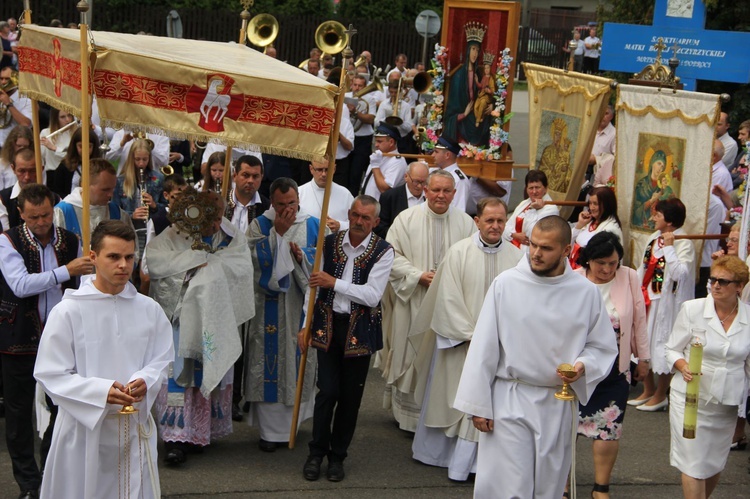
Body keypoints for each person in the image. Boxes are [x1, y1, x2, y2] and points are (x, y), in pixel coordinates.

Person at [454, 215, 618, 498]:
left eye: (546, 248)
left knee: (548, 486)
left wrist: (582, 366)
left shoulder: (586, 293)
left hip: (557, 403)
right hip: (511, 398)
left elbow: (601, 346)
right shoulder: (507, 284)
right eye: (533, 245)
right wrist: (478, 404)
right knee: (510, 487)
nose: (536, 254)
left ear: (566, 250)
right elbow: (484, 346)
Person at [34, 220, 173, 499]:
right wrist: (101, 392)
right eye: (114, 257)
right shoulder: (68, 311)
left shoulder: (149, 310)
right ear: (93, 257)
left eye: (129, 257)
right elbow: (51, 373)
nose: (123, 265)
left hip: (132, 427)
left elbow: (162, 359)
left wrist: (146, 380)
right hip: (84, 430)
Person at [410, 197, 523, 481]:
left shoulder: (517, 258)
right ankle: (444, 457)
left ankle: (483, 465)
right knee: (454, 401)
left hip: (500, 349)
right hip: (462, 345)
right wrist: (473, 338)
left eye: (500, 221)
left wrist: (500, 341)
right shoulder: (458, 253)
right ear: (477, 221)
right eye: (490, 220)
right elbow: (447, 299)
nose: (496, 226)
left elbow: (522, 302)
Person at [148, 190, 255, 465]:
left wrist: (212, 273)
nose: (215, 224)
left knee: (207, 370)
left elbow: (240, 269)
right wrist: (193, 266)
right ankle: (175, 438)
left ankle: (198, 432)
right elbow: (157, 263)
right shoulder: (175, 234)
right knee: (179, 376)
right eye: (211, 217)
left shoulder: (231, 238)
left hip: (215, 319)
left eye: (219, 217)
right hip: (181, 320)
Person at [0, 184, 91, 499]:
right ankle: (28, 483)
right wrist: (66, 271)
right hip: (19, 337)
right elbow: (21, 285)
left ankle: (53, 468)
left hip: (62, 339)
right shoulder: (7, 241)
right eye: (34, 216)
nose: (42, 222)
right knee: (19, 414)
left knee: (64, 406)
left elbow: (86, 281)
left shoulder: (71, 240)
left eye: (46, 215)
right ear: (22, 214)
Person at [299, 195, 394, 482]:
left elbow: (372, 295)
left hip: (360, 329)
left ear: (375, 222)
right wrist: (305, 324)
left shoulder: (384, 251)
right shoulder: (329, 243)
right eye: (355, 215)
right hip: (328, 324)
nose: (359, 221)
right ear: (349, 214)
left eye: (366, 217)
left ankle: (337, 457)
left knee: (350, 398)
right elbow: (313, 287)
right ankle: (316, 453)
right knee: (327, 391)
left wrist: (335, 283)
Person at [380, 170, 475, 432]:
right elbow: (391, 255)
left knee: (442, 358)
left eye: (447, 191)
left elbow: (473, 259)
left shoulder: (466, 224)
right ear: (425, 190)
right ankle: (409, 419)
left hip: (448, 305)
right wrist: (417, 275)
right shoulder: (405, 219)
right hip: (414, 299)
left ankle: (440, 415)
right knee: (411, 353)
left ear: (454, 194)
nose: (440, 196)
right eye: (436, 190)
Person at [244, 178, 321, 451]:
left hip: (299, 307)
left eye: (291, 203)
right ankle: (269, 433)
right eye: (280, 204)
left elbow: (321, 264)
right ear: (271, 202)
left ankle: (293, 428)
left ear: (298, 199)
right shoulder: (260, 225)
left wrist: (302, 258)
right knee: (270, 366)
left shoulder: (312, 224)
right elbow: (250, 262)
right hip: (268, 308)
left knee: (296, 364)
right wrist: (276, 235)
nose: (287, 209)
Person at [666, 256, 750, 499]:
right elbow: (671, 348)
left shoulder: (748, 317)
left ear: (739, 286)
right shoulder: (692, 309)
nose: (715, 285)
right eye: (713, 279)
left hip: (726, 402)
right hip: (690, 397)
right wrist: (682, 366)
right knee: (693, 463)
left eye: (723, 281)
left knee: (713, 464)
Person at [573, 231, 649, 498]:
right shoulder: (573, 279)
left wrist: (644, 358)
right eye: (600, 263)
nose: (607, 269)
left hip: (616, 368)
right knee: (566, 429)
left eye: (612, 263)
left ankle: (600, 487)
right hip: (579, 369)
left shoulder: (628, 276)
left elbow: (639, 319)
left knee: (609, 428)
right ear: (589, 260)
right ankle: (561, 484)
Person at [630, 198, 695, 411]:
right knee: (644, 344)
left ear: (669, 220)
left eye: (657, 215)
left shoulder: (684, 242)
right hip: (647, 298)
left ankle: (661, 394)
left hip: (666, 304)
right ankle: (648, 390)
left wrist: (669, 248)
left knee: (664, 345)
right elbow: (643, 265)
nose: (653, 218)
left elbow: (680, 274)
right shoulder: (653, 237)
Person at [112, 138, 166, 259]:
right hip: (129, 231)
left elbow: (167, 208)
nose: (141, 164)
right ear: (131, 159)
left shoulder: (158, 178)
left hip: (151, 232)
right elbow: (114, 210)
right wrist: (131, 215)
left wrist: (154, 205)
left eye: (145, 159)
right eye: (137, 159)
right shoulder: (120, 181)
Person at [54, 158, 134, 240]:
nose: (110, 194)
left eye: (112, 189)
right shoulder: (62, 212)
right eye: (105, 189)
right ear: (85, 184)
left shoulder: (117, 212)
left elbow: (132, 247)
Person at [443, 23, 491, 146]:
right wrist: (464, 113)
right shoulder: (459, 75)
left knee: (487, 121)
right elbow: (452, 107)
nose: (475, 53)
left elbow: (485, 92)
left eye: (477, 50)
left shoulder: (479, 75)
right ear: (468, 50)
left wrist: (490, 105)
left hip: (475, 112)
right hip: (464, 114)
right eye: (473, 49)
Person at [502, 170, 559, 252]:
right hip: (513, 247)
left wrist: (535, 210)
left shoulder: (551, 209)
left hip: (531, 252)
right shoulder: (524, 203)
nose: (534, 192)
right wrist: (514, 235)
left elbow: (532, 234)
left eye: (537, 187)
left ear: (545, 189)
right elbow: (505, 227)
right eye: (531, 188)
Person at [570, 186, 622, 267]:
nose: (591, 207)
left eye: (595, 204)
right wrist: (580, 225)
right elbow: (571, 243)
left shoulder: (611, 229)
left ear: (607, 205)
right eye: (590, 203)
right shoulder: (589, 223)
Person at [374, 161, 428, 238]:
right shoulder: (390, 197)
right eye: (416, 181)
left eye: (423, 182)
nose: (419, 186)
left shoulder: (430, 196)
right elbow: (380, 229)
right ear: (406, 177)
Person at [299, 157, 353, 233]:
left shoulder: (345, 194)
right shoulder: (299, 193)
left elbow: (356, 224)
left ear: (334, 169)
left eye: (327, 170)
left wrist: (340, 225)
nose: (324, 174)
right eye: (319, 170)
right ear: (311, 169)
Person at [346, 74, 377, 196]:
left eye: (360, 86)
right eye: (355, 85)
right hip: (347, 138)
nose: (357, 88)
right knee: (345, 171)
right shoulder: (346, 96)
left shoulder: (370, 99)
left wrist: (355, 112)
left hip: (362, 139)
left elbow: (370, 119)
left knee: (356, 173)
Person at [50, 126, 101, 198]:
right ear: (74, 146)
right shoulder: (65, 166)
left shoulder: (99, 167)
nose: (84, 150)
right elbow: (57, 191)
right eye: (80, 146)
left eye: (89, 146)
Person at [224, 154, 269, 234]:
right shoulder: (221, 202)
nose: (250, 181)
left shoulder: (267, 208)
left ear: (261, 178)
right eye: (245, 175)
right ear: (235, 176)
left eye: (255, 176)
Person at [360, 123, 407, 201]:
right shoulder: (378, 156)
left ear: (391, 142)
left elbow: (384, 189)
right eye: (376, 141)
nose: (376, 145)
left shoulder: (398, 162)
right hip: (367, 203)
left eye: (379, 141)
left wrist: (375, 166)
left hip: (380, 207)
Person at [0, 146, 41, 231]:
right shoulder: (3, 199)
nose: (27, 177)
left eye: (32, 171)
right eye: (22, 171)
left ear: (41, 169)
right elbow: (4, 235)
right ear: (13, 169)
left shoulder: (54, 198)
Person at [431, 137, 470, 212]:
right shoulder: (434, 171)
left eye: (436, 152)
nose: (432, 155)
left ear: (447, 155)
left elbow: (459, 210)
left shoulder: (458, 180)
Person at [39, 108, 75, 188]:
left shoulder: (75, 133)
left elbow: (72, 157)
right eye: (62, 117)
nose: (67, 120)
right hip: (52, 175)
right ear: (55, 119)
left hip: (70, 174)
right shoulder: (46, 133)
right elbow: (40, 158)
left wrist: (54, 148)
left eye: (69, 115)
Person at [538, 117, 573, 193]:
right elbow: (542, 169)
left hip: (561, 184)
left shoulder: (563, 151)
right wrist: (555, 170)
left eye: (560, 134)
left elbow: (568, 167)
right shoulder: (548, 150)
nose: (558, 136)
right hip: (549, 182)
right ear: (553, 134)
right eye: (556, 134)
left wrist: (566, 169)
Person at [0, 66, 32, 148]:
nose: (3, 82)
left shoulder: (25, 100)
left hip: (12, 147)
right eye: (1, 78)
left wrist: (8, 104)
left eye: (7, 79)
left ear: (15, 78)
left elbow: (26, 124)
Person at [0, 124, 33, 190]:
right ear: (12, 145)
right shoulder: (1, 163)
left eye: (25, 146)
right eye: (19, 146)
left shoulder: (36, 163)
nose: (22, 149)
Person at [473, 53, 495, 127]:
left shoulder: (491, 79)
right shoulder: (484, 77)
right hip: (481, 95)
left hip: (487, 97)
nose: (486, 70)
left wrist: (488, 90)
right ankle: (480, 116)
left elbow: (493, 91)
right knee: (476, 106)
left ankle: (478, 120)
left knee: (482, 103)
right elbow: (480, 86)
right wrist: (476, 81)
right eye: (485, 68)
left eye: (488, 68)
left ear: (490, 69)